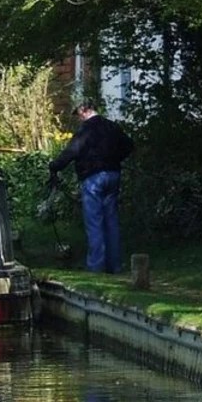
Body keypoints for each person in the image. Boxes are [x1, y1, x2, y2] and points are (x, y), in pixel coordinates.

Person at [48, 101, 135, 273]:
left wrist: (55, 166)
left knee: (94, 223)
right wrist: (115, 159)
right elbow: (129, 146)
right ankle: (114, 266)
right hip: (113, 175)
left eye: (78, 114)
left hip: (93, 177)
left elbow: (71, 152)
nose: (78, 118)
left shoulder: (85, 130)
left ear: (84, 111)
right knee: (111, 221)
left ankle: (96, 267)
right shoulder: (112, 126)